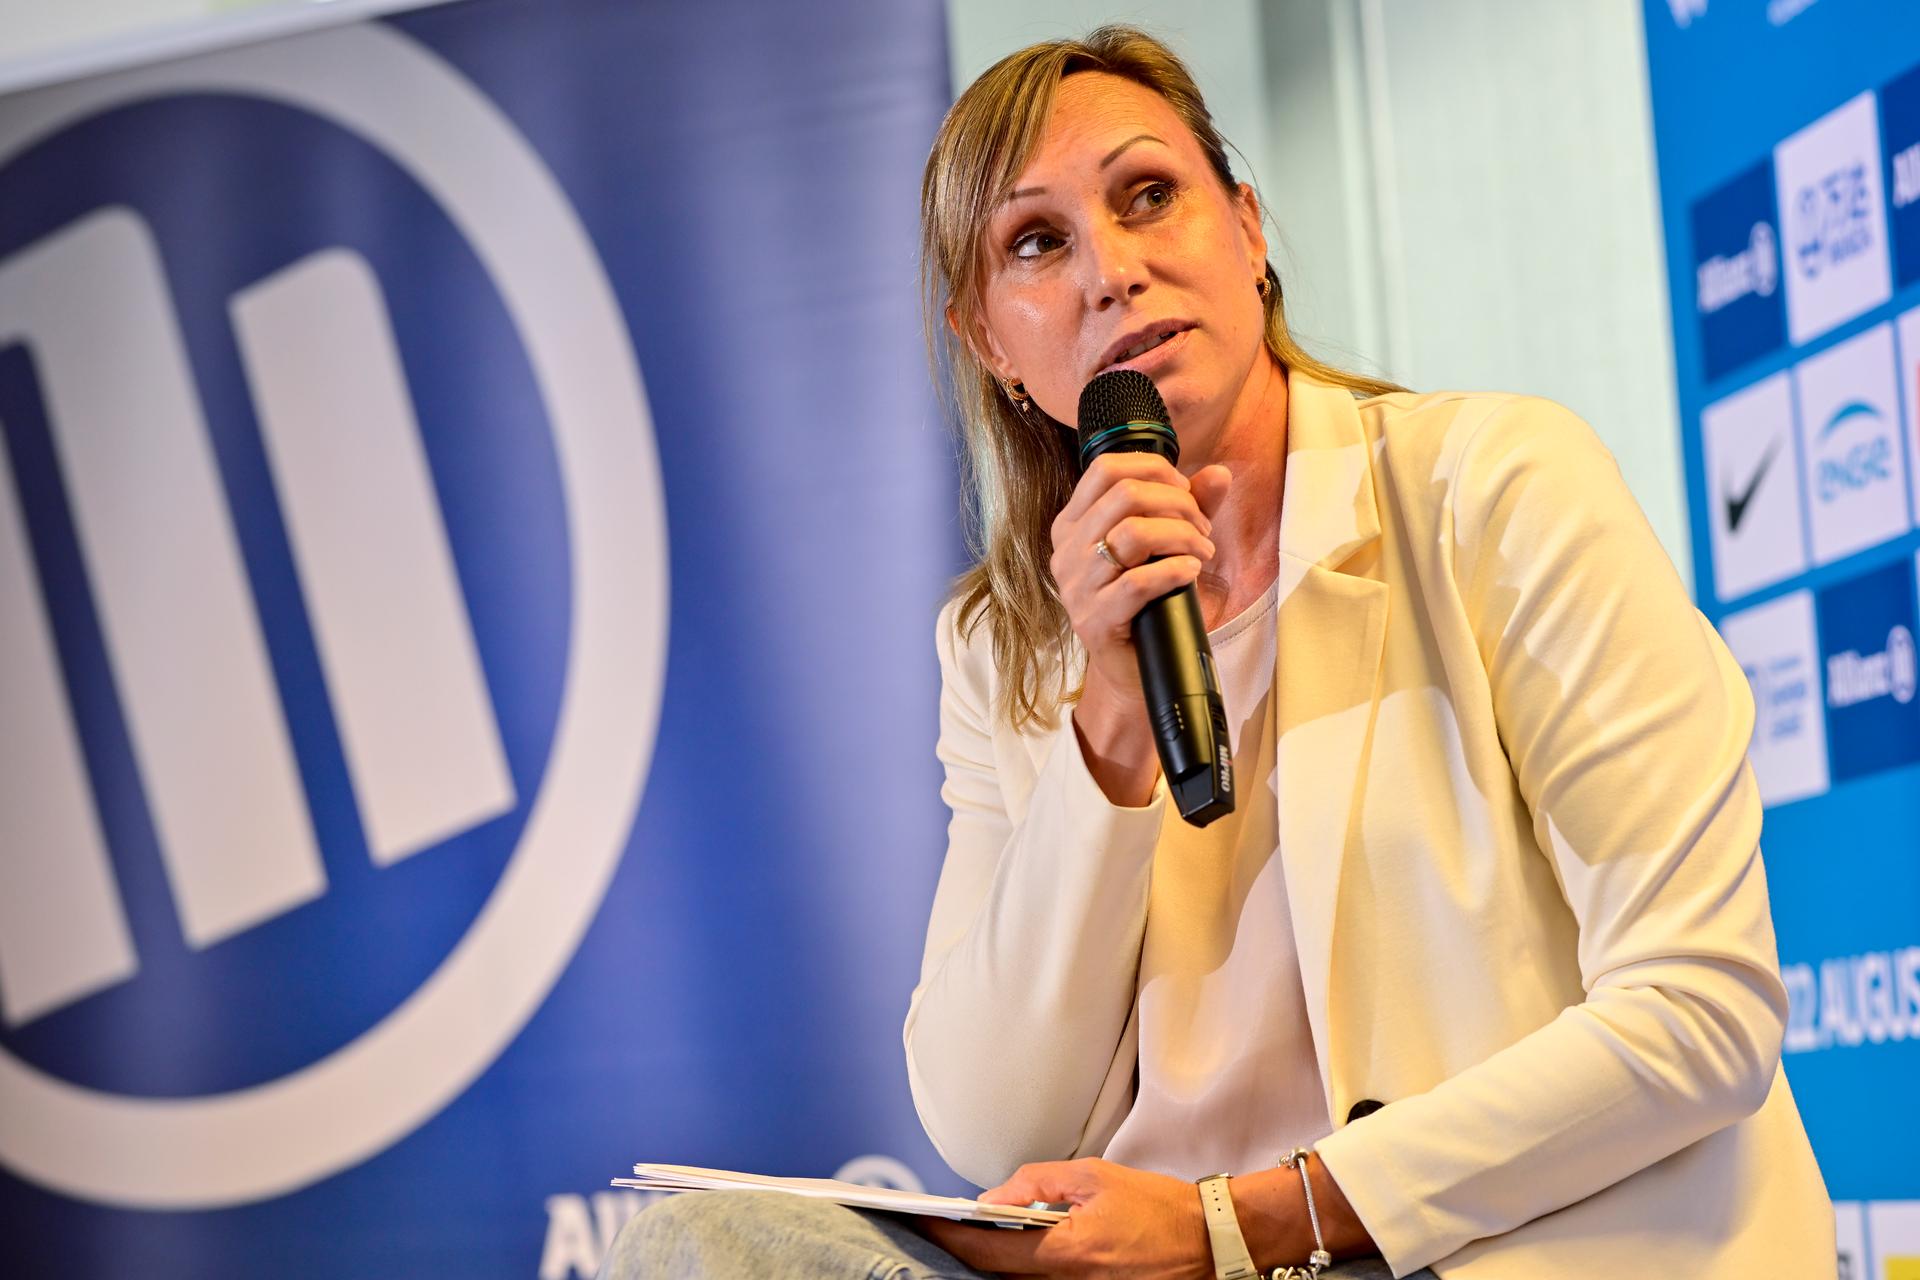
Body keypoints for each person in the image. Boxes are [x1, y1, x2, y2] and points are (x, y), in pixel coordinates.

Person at [601, 25, 1834, 1280]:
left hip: (1485, 1245)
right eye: (1039, 242)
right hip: (1176, 1260)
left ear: (1247, 230)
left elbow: (1702, 1007)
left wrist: (1236, 1221)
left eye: (1150, 197)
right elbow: (990, 1121)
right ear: (990, 341)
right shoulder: (1002, 647)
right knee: (700, 1246)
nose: (1113, 272)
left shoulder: (1493, 488)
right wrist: (1114, 713)